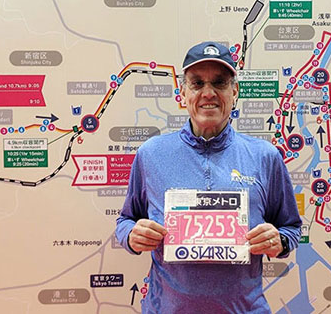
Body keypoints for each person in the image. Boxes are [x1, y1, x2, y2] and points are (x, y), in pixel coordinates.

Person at [116, 41, 302, 313]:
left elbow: (292, 228)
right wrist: (131, 235)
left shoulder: (265, 156)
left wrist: (280, 241)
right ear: (182, 92)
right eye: (197, 83)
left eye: (220, 82)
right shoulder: (151, 154)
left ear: (235, 91)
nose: (208, 93)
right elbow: (125, 221)